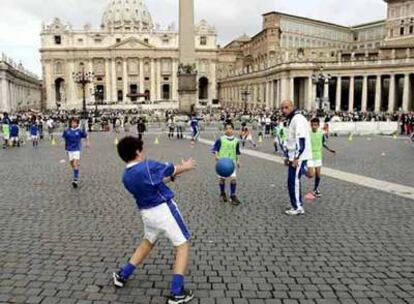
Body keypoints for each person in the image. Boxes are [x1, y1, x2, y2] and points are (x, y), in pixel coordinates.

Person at [113, 136, 196, 304]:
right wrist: (186, 166)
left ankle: (123, 274)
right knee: (182, 244)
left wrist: (169, 179)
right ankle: (177, 291)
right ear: (137, 151)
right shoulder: (147, 166)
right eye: (142, 150)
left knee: (148, 242)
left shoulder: (127, 175)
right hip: (164, 210)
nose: (144, 153)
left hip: (147, 213)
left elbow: (153, 182)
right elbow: (172, 168)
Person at [281, 100, 312, 216]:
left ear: (292, 107)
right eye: (282, 108)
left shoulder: (297, 119)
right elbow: (290, 140)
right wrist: (287, 156)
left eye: (286, 107)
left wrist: (296, 158)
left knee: (294, 181)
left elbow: (300, 140)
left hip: (298, 157)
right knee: (292, 181)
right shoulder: (292, 119)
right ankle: (296, 204)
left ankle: (298, 206)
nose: (284, 110)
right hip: (293, 156)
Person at [305, 118, 336, 199]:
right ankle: (301, 171)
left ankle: (315, 189)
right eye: (312, 125)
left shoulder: (321, 134)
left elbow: (323, 143)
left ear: (318, 126)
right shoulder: (308, 134)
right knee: (311, 174)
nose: (313, 127)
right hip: (310, 156)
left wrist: (330, 150)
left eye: (315, 125)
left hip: (318, 156)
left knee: (318, 175)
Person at [212, 122, 241, 205]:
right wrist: (217, 156)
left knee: (233, 179)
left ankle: (232, 195)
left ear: (233, 129)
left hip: (232, 163)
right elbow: (215, 149)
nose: (228, 130)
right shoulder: (220, 139)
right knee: (222, 179)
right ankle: (222, 193)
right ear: (224, 130)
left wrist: (238, 161)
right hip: (222, 163)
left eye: (230, 128)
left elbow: (237, 152)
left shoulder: (236, 141)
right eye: (227, 128)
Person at [62, 117, 90, 188]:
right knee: (72, 164)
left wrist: (87, 142)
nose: (73, 124)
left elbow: (86, 135)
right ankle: (76, 169)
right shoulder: (67, 131)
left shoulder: (79, 131)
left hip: (76, 149)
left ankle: (75, 180)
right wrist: (63, 142)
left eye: (75, 122)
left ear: (77, 123)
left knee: (75, 163)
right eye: (72, 122)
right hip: (69, 149)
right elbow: (64, 137)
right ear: (70, 123)